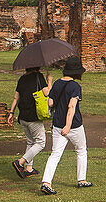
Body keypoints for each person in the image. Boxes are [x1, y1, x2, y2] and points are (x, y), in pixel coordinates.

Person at [40, 56, 92, 192]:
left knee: (55, 154)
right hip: (73, 125)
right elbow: (71, 107)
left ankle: (46, 182)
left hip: (57, 124)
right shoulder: (75, 86)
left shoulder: (57, 83)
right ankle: (82, 179)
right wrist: (68, 126)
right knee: (81, 150)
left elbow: (50, 102)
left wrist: (49, 82)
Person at [8, 67, 51, 178]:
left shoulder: (22, 78)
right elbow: (47, 93)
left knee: (31, 142)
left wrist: (11, 113)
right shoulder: (38, 77)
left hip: (23, 116)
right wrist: (49, 81)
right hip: (33, 117)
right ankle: (21, 162)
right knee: (41, 143)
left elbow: (15, 97)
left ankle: (29, 168)